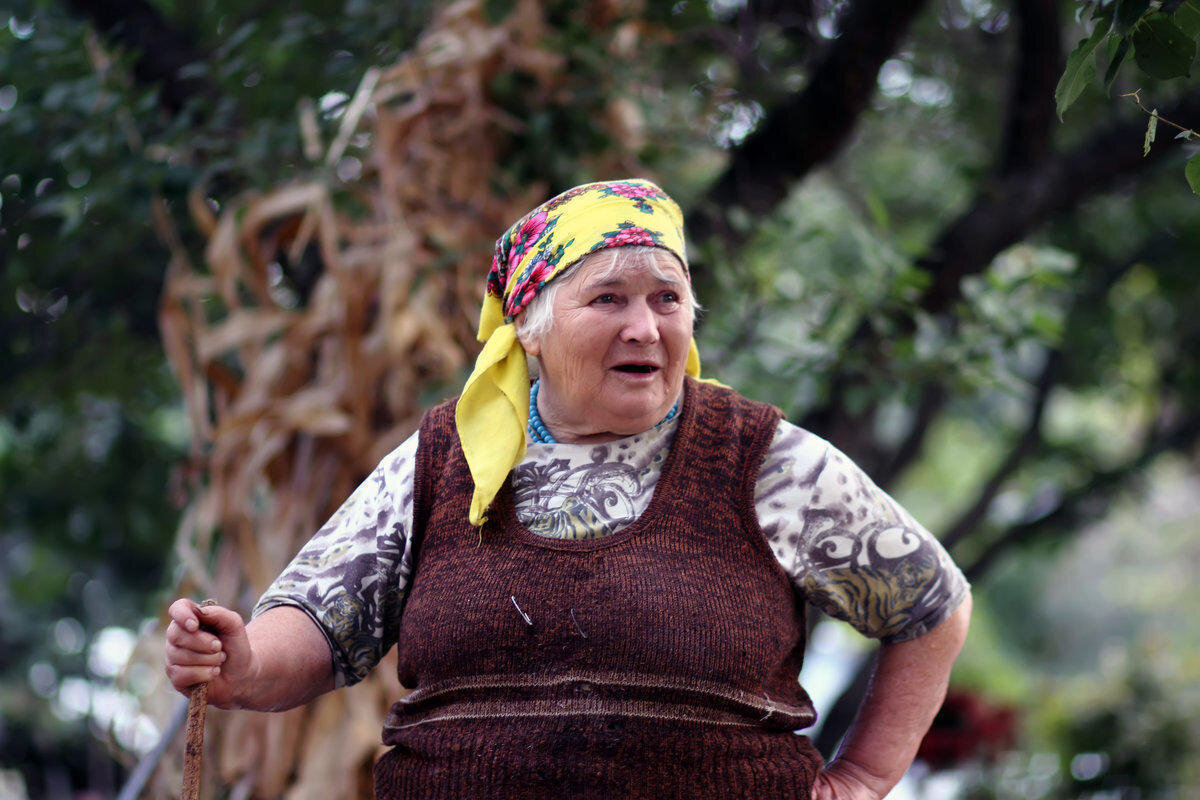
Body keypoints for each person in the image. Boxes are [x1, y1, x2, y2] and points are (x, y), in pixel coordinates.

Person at [165, 179, 971, 799]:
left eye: (667, 298)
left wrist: (862, 778)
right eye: (608, 299)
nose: (645, 327)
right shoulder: (445, 460)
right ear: (531, 331)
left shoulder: (764, 460)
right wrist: (238, 663)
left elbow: (931, 606)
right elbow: (320, 622)